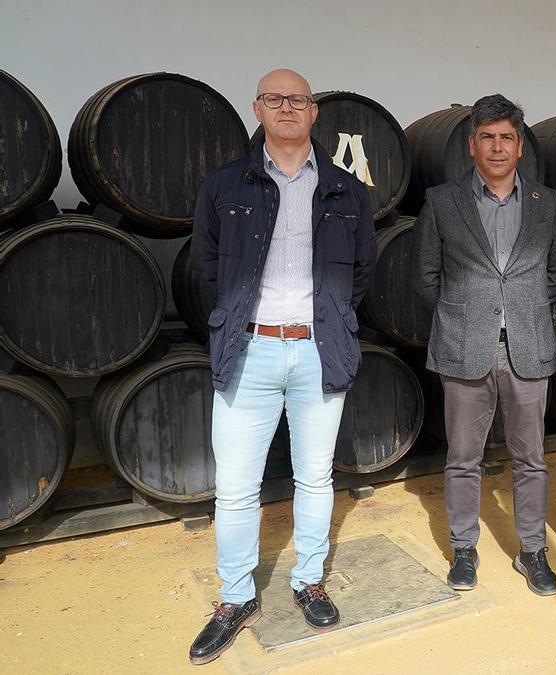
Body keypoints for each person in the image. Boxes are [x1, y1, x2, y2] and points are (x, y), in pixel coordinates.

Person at [187, 68, 376, 664]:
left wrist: (328, 316)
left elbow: (362, 271)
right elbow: (207, 265)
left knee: (314, 476)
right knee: (237, 486)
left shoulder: (348, 190)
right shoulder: (225, 185)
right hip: (251, 347)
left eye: (297, 99)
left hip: (318, 347)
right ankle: (236, 597)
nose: (287, 107)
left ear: (315, 111)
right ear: (258, 108)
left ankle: (308, 579)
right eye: (274, 98)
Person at [413, 94, 556, 596]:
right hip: (464, 347)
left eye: (506, 137)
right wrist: (471, 310)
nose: (497, 147)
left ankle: (532, 550)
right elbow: (425, 277)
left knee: (532, 459)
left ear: (520, 146)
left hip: (528, 346)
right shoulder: (442, 200)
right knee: (462, 458)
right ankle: (464, 549)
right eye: (487, 138)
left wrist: (517, 308)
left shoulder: (549, 203)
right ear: (471, 145)